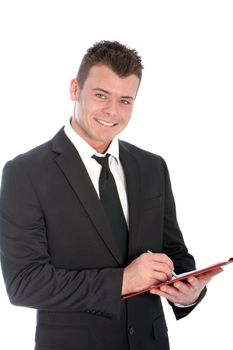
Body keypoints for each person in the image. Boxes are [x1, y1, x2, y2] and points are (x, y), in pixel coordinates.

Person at [0, 41, 222, 350]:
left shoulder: (151, 167)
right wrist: (124, 281)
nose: (112, 111)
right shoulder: (25, 173)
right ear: (75, 89)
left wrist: (188, 293)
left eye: (125, 100)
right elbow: (24, 284)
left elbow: (174, 253)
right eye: (101, 95)